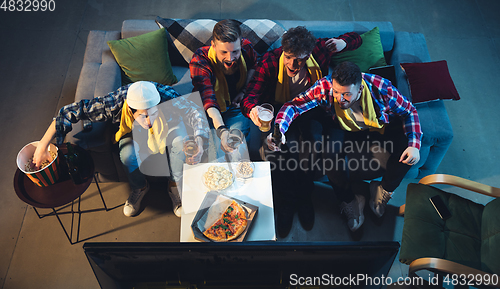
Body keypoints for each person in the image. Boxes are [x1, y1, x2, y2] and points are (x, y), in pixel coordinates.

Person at [241, 26, 362, 237]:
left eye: (299, 59)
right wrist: (252, 109)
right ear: (283, 50)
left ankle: (305, 198)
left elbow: (356, 38)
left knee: (310, 149)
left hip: (310, 111)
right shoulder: (270, 61)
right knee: (275, 153)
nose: (292, 64)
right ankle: (287, 202)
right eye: (288, 57)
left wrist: (344, 43)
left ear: (309, 54)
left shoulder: (321, 49)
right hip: (279, 110)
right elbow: (250, 96)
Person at [273, 61, 422, 232]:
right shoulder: (326, 86)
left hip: (376, 128)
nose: (340, 98)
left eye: (346, 95)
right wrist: (280, 130)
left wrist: (414, 144)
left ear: (359, 90)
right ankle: (350, 200)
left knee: (409, 151)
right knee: (329, 156)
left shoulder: (382, 88)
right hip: (341, 126)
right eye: (336, 92)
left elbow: (410, 111)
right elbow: (294, 105)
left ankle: (383, 190)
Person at [33, 81, 210, 218]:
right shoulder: (114, 103)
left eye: (153, 113)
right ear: (131, 110)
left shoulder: (166, 97)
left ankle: (174, 185)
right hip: (130, 129)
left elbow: (195, 111)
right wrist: (43, 145)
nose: (149, 121)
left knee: (181, 144)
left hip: (168, 124)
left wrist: (200, 141)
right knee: (127, 154)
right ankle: (140, 187)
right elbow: (70, 111)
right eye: (143, 115)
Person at [190, 19, 257, 157]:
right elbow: (208, 99)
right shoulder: (200, 59)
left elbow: (255, 66)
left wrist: (244, 91)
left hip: (235, 107)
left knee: (237, 150)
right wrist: (222, 129)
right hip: (209, 111)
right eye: (224, 52)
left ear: (241, 43)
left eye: (235, 52)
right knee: (215, 154)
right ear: (213, 45)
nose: (230, 58)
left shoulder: (247, 48)